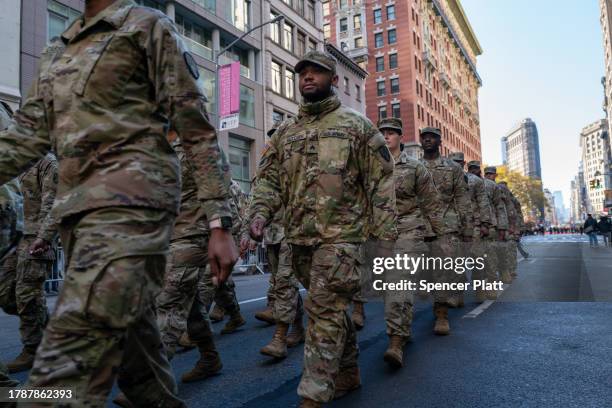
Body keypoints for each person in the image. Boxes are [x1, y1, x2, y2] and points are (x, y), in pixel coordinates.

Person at [0, 0, 238, 405]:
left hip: (133, 211)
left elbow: (195, 129)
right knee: (137, 359)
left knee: (67, 363)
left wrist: (219, 222)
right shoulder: (58, 47)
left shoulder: (147, 27)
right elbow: (26, 137)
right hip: (77, 217)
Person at [248, 50, 397, 407]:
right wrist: (259, 214)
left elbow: (381, 184)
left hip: (341, 240)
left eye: (317, 72)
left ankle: (313, 395)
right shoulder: (285, 132)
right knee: (328, 311)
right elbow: (267, 180)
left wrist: (385, 237)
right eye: (303, 73)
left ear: (333, 80)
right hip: (297, 239)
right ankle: (348, 372)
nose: (308, 78)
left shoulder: (356, 126)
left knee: (323, 311)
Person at [379, 117, 444, 366]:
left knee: (398, 282)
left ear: (400, 138)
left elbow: (431, 202)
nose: (386, 136)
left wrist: (435, 235)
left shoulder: (415, 168)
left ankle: (395, 341)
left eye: (391, 133)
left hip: (410, 230)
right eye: (382, 132)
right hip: (382, 234)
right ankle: (403, 329)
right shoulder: (372, 166)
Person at [420, 128, 472, 333]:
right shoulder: (415, 167)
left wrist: (466, 227)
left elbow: (462, 198)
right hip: (419, 225)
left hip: (446, 225)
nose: (427, 140)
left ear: (440, 141)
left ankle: (441, 315)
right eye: (424, 137)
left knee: (443, 270)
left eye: (431, 137)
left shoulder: (453, 169)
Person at [450, 154, 492, 303]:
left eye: (458, 162)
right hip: (453, 226)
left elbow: (483, 202)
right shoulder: (446, 179)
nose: (455, 164)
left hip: (473, 224)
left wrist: (485, 224)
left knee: (477, 259)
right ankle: (458, 294)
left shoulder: (475, 181)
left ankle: (480, 288)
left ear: (463, 163)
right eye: (452, 162)